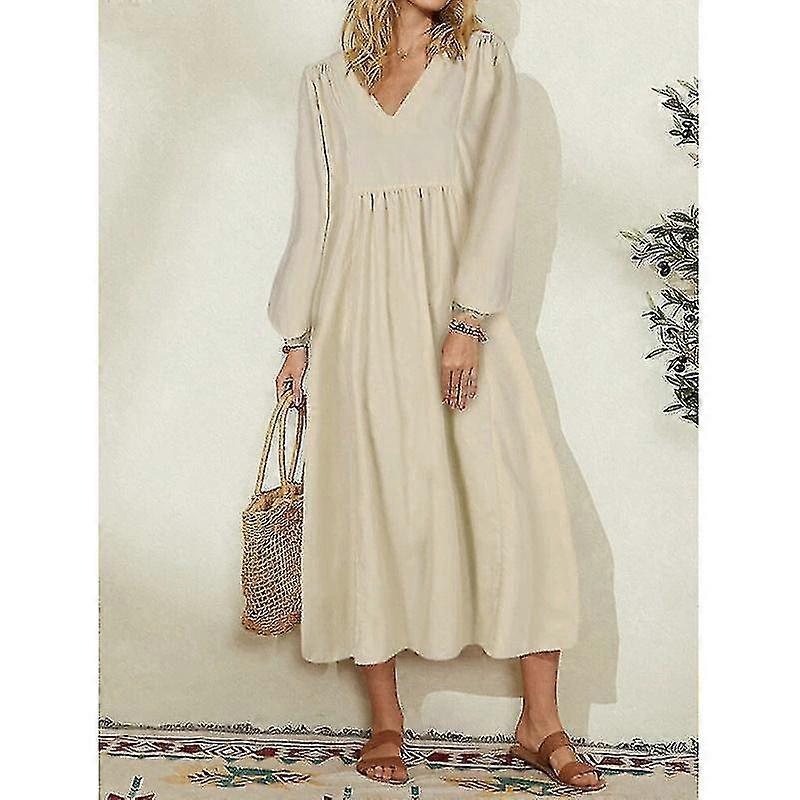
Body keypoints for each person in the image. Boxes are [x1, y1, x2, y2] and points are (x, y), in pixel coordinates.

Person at [267, 0, 604, 791]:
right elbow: (315, 211)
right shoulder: (325, 82)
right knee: (372, 503)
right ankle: (387, 720)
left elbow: (496, 192)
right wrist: (296, 335)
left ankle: (542, 721)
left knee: (514, 495)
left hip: (454, 311)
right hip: (355, 315)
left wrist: (469, 319)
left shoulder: (478, 61)